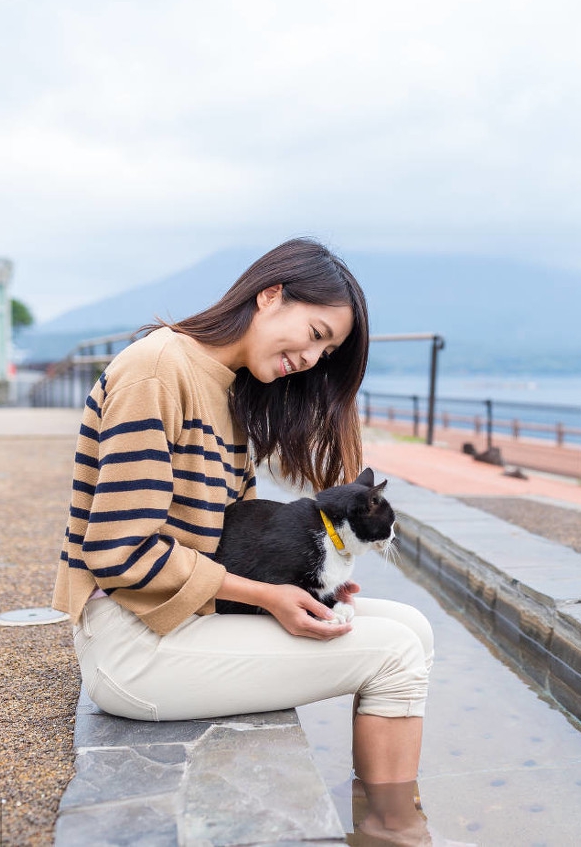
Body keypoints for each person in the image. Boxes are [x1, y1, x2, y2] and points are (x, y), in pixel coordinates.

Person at [51, 238, 434, 843]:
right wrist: (267, 596)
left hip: (185, 618)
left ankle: (379, 817)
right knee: (396, 655)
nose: (311, 359)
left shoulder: (225, 388)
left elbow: (236, 535)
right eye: (314, 334)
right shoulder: (157, 371)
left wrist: (299, 584)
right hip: (135, 640)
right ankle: (397, 832)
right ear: (270, 295)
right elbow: (118, 551)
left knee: (414, 626)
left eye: (326, 352)